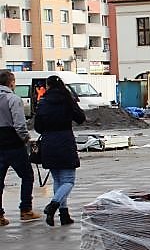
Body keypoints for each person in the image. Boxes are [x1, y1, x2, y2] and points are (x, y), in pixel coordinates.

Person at [34, 75, 86, 226]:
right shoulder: (67, 100)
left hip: (49, 143)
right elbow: (80, 118)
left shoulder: (43, 102)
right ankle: (53, 205)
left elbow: (38, 127)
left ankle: (64, 215)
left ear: (48, 87)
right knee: (68, 180)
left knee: (58, 180)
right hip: (65, 142)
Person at [0, 70, 41, 226]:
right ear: (11, 82)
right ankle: (26, 210)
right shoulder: (13, 99)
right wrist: (26, 138)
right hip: (13, 144)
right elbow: (19, 123)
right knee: (27, 176)